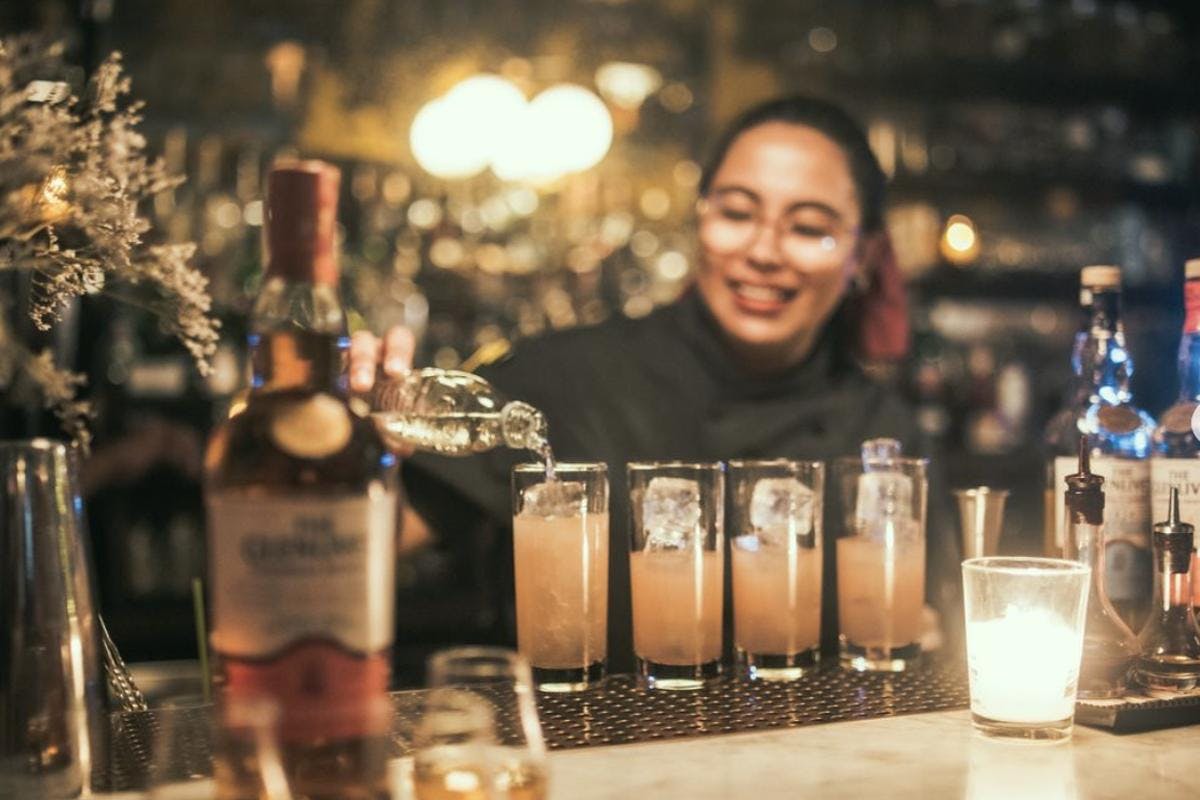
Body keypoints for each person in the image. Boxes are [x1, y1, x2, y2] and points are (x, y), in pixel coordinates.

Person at [354, 95, 960, 671]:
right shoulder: (561, 380)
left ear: (864, 256)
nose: (763, 250)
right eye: (736, 213)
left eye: (808, 228)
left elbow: (933, 638)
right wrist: (334, 455)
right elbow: (359, 557)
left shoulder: (885, 436)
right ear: (700, 220)